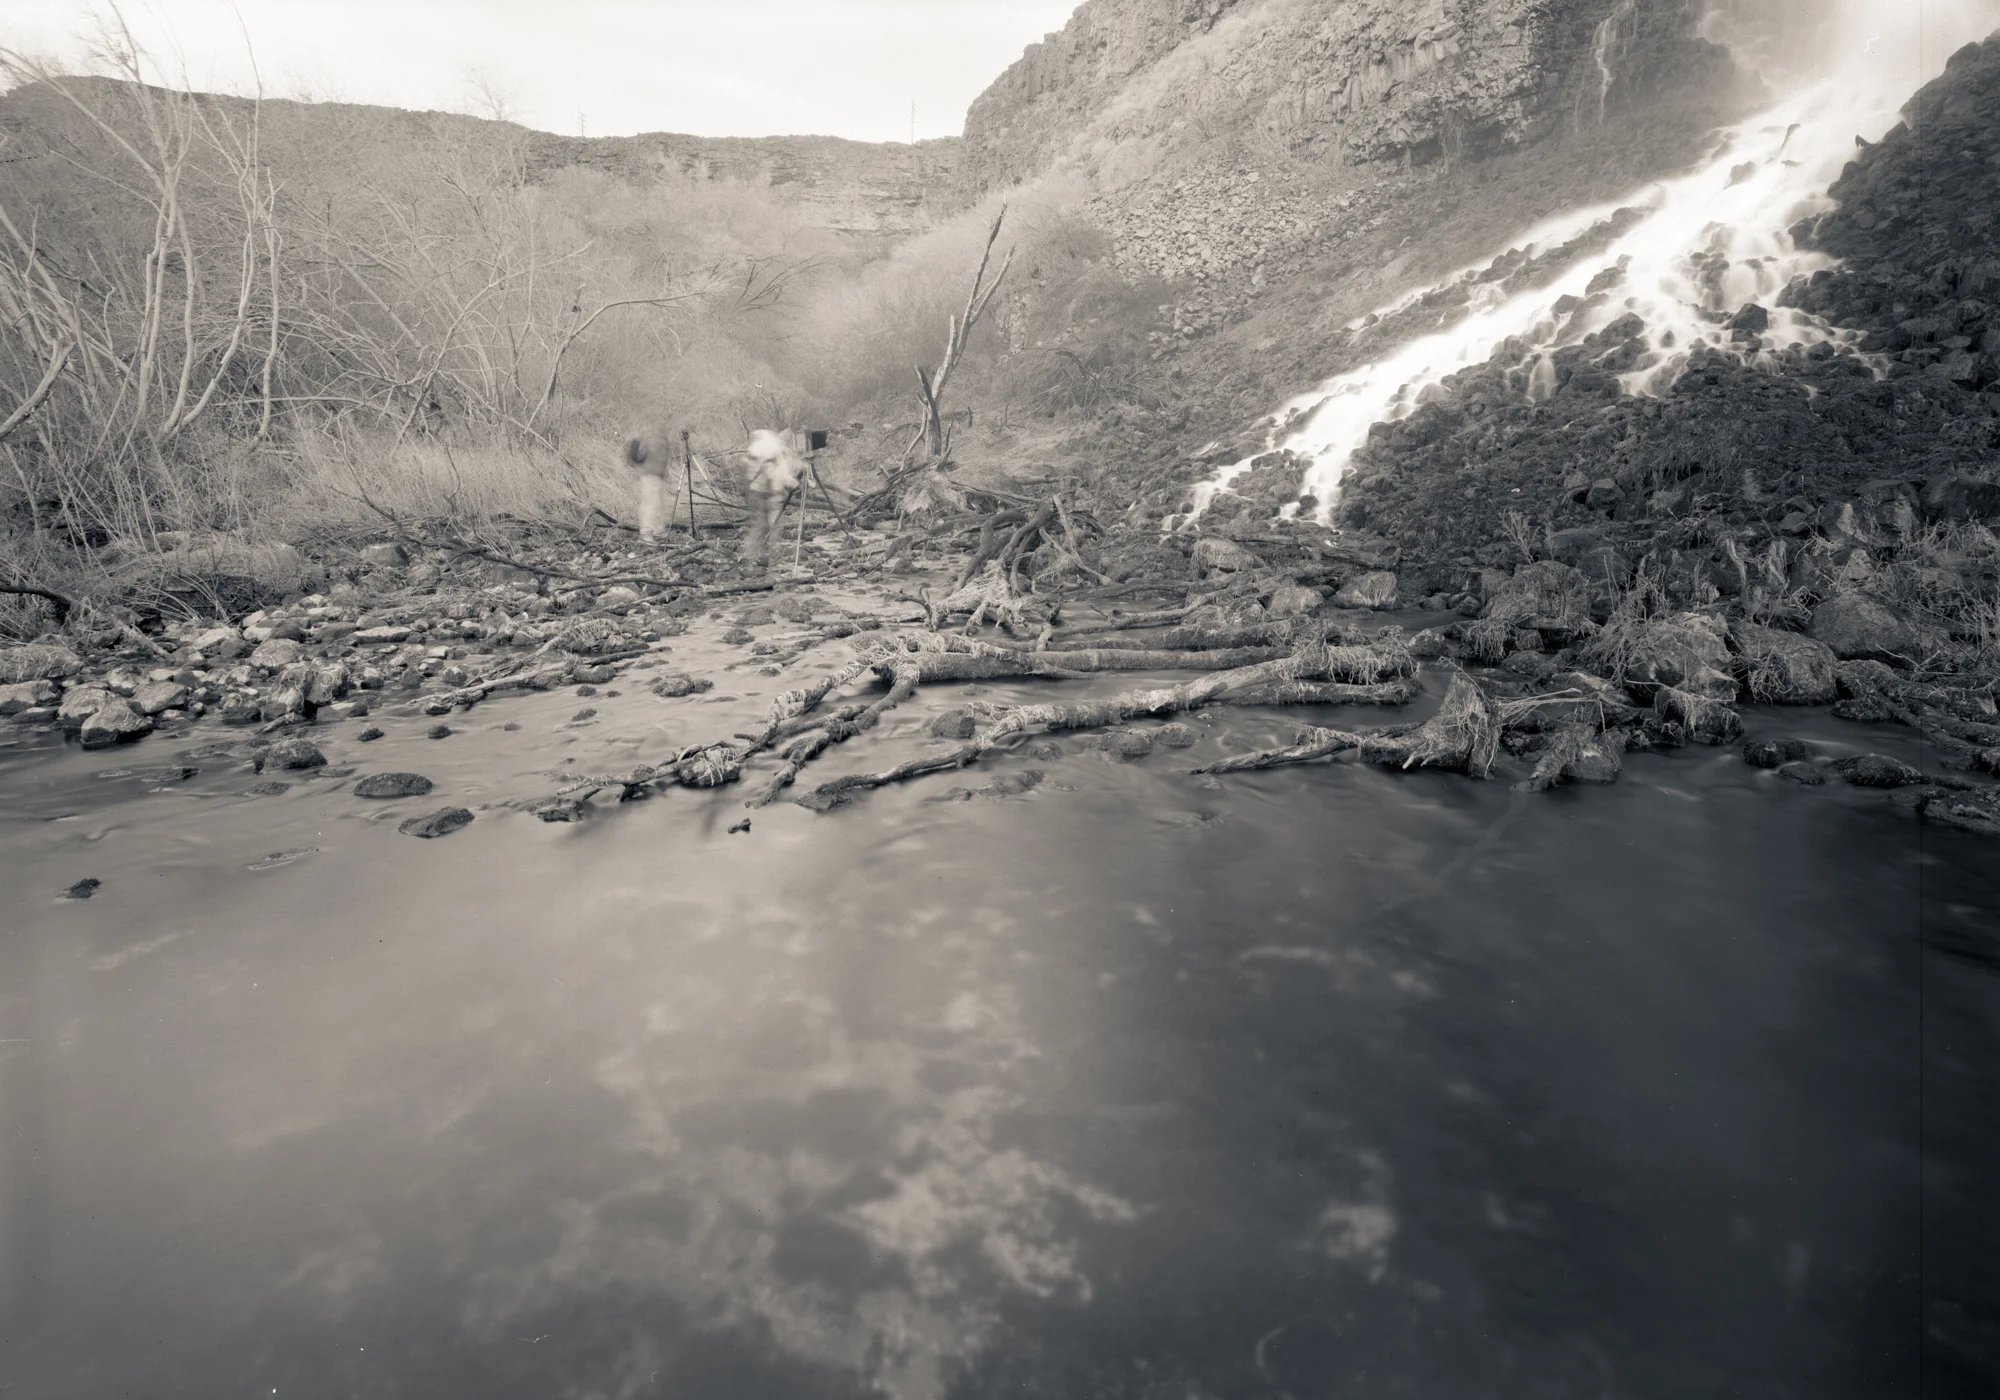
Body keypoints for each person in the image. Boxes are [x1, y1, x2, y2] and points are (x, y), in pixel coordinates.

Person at [741, 428, 807, 571]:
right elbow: (780, 474)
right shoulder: (773, 452)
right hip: (767, 494)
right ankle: (764, 559)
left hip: (760, 492)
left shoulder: (760, 449)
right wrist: (796, 483)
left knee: (764, 526)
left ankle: (755, 558)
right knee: (770, 526)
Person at [623, 428, 678, 544]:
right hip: (649, 474)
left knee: (658, 504)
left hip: (657, 475)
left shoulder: (660, 435)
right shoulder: (649, 435)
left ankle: (658, 531)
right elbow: (639, 455)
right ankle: (645, 534)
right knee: (651, 504)